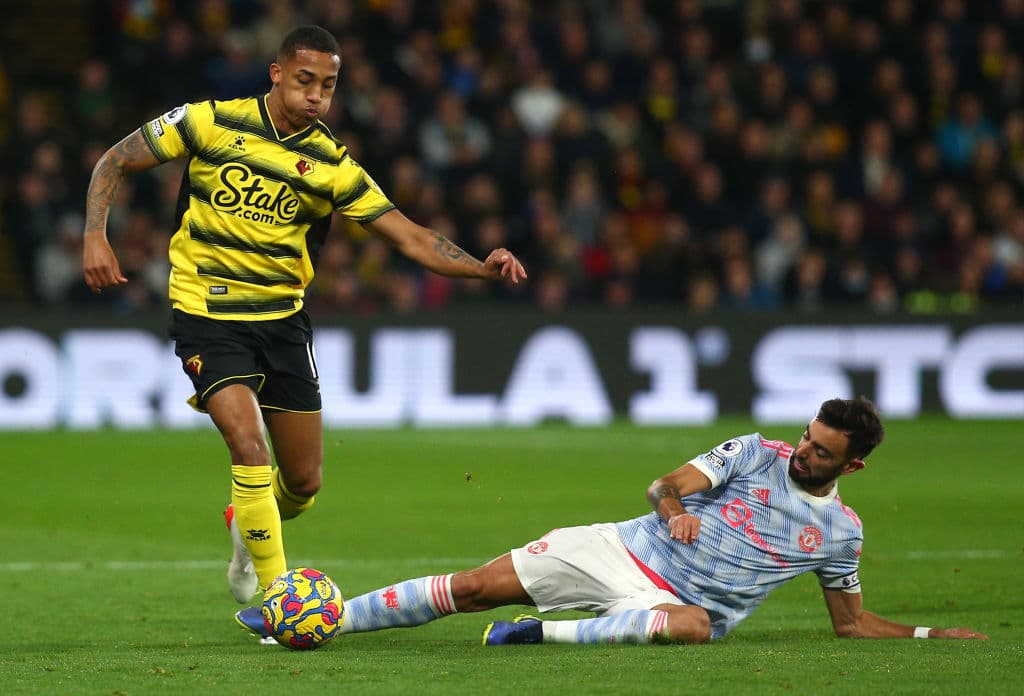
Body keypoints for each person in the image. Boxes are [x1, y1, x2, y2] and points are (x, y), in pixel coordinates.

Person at [81, 26, 526, 610]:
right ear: (276, 73)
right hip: (207, 312)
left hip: (282, 322)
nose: (317, 95)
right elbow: (114, 160)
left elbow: (412, 237)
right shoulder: (210, 122)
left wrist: (481, 268)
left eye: (329, 86)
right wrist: (95, 236)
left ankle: (247, 527)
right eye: (305, 80)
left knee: (303, 484)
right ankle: (277, 597)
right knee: (247, 443)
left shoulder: (331, 163)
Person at [235, 396, 988, 644]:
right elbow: (668, 482)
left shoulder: (843, 534)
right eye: (809, 439)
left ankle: (538, 638)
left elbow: (850, 623)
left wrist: (926, 634)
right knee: (474, 587)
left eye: (823, 455)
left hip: (677, 609)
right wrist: (676, 508)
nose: (805, 454)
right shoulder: (756, 452)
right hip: (627, 549)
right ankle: (307, 621)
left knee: (697, 627)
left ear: (851, 467)